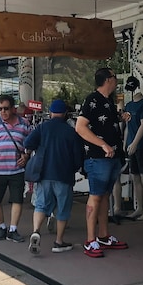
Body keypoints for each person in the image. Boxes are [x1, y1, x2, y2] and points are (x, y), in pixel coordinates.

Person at [75, 67, 128, 258]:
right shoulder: (92, 99)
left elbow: (104, 123)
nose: (116, 80)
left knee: (104, 195)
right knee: (96, 196)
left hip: (111, 157)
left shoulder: (108, 101)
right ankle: (91, 240)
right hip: (97, 157)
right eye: (114, 77)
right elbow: (80, 127)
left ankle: (104, 235)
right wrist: (103, 144)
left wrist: (121, 117)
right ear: (107, 80)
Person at [23, 99, 84, 254]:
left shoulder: (42, 127)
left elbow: (28, 143)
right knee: (63, 209)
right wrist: (74, 167)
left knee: (41, 205)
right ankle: (59, 241)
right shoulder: (71, 131)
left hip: (44, 173)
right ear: (65, 113)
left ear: (50, 112)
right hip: (64, 175)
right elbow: (78, 157)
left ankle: (36, 231)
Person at [0, 95, 31, 243]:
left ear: (13, 109)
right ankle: (1, 226)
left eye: (6, 108)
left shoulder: (24, 124)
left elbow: (30, 144)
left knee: (17, 200)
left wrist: (26, 155)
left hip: (16, 168)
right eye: (0, 109)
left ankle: (13, 229)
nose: (3, 111)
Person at [122, 77, 143, 220]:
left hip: (141, 145)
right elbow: (128, 126)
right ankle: (139, 207)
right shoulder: (128, 105)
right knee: (135, 177)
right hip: (130, 144)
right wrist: (125, 143)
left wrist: (135, 143)